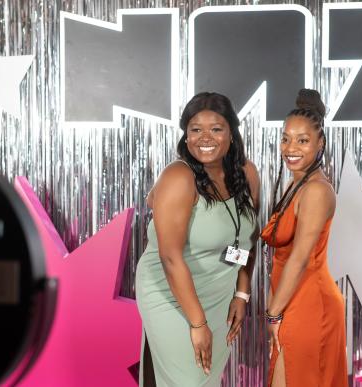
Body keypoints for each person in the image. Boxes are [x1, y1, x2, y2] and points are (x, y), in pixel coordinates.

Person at [136, 92, 260, 386]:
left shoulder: (246, 172)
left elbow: (248, 237)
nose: (206, 137)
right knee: (189, 379)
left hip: (218, 291)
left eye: (216, 128)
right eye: (195, 129)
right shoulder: (179, 176)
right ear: (186, 135)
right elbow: (170, 257)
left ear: (232, 133)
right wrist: (198, 322)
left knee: (206, 378)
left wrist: (241, 293)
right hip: (171, 294)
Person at [261, 89, 347, 387]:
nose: (290, 147)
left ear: (320, 142)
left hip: (310, 302)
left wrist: (273, 314)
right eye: (286, 138)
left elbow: (298, 260)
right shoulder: (297, 183)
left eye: (302, 140)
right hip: (290, 298)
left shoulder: (316, 191)